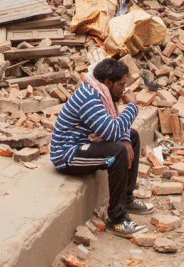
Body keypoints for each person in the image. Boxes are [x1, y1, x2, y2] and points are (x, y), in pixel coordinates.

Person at [49, 58, 152, 237]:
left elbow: (117, 126)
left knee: (132, 137)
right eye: (121, 85)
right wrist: (133, 106)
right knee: (117, 152)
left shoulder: (102, 92)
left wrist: (126, 139)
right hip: (68, 154)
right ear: (108, 82)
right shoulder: (90, 97)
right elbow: (111, 131)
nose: (124, 90)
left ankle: (126, 199)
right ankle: (117, 219)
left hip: (86, 143)